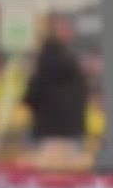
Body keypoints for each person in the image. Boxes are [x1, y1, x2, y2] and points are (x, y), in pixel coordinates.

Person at [21, 13, 89, 157]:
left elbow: (34, 90)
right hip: (59, 128)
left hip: (55, 126)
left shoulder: (51, 56)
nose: (69, 32)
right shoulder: (57, 57)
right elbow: (37, 88)